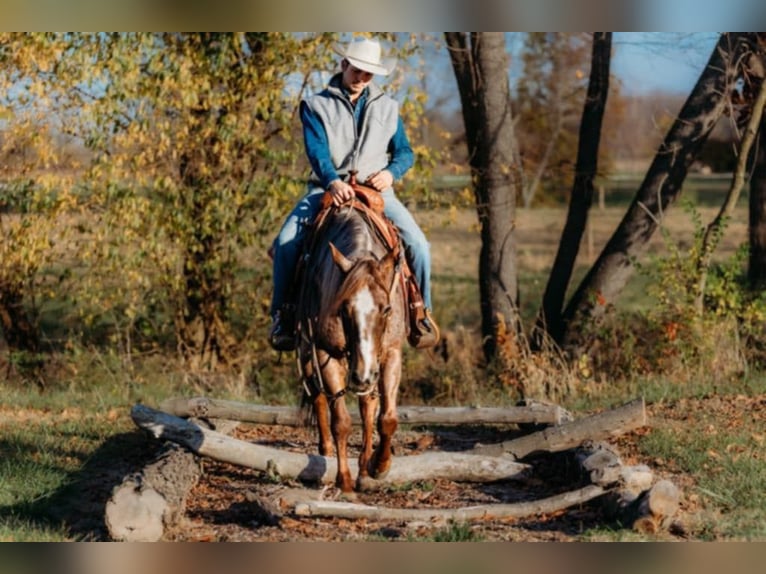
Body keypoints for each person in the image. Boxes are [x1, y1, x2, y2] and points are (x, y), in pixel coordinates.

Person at [269, 36, 439, 352]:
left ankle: (420, 313)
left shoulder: (388, 107)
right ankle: (283, 315)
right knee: (285, 243)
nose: (361, 78)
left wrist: (391, 173)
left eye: (368, 74)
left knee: (419, 245)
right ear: (344, 64)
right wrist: (332, 180)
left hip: (377, 195)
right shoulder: (315, 105)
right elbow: (316, 150)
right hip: (326, 189)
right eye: (357, 70)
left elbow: (405, 152)